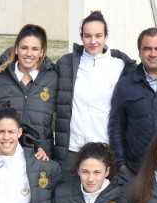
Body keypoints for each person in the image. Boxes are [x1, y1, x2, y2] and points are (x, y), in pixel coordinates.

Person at [54, 11, 136, 174]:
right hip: (72, 149)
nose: (93, 41)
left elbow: (149, 72)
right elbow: (37, 65)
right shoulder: (66, 64)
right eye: (87, 36)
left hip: (105, 149)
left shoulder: (120, 65)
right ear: (81, 37)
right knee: (67, 196)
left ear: (106, 36)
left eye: (98, 36)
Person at [109, 27, 157, 174]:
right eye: (147, 49)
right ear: (139, 51)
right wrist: (121, 165)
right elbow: (116, 128)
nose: (153, 54)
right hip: (138, 170)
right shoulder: (125, 84)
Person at [0, 24, 59, 158]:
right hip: (6, 155)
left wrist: (47, 150)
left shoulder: (53, 78)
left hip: (39, 156)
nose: (28, 54)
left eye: (35, 49)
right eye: (24, 48)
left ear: (42, 52)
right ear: (16, 49)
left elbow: (60, 119)